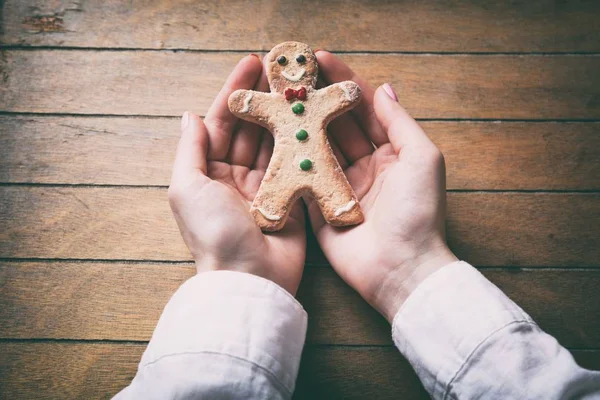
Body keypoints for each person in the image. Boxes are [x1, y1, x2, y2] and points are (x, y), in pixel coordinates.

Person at [114, 52, 600, 399]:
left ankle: (335, 210)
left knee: (336, 196)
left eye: (300, 64)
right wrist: (413, 269)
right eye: (285, 66)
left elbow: (344, 93)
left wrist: (234, 276)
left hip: (325, 170)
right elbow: (246, 103)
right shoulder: (270, 105)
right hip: (281, 171)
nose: (295, 72)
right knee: (274, 200)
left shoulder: (325, 99)